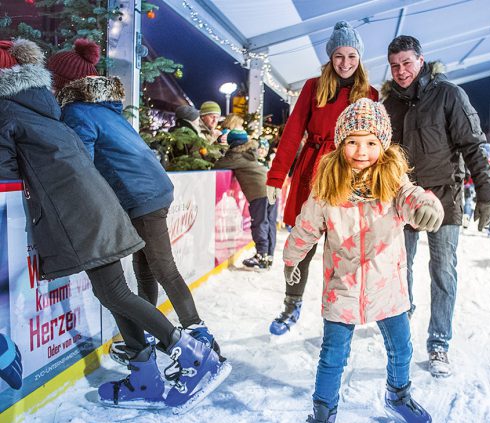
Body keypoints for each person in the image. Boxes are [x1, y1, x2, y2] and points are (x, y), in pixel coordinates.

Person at [0, 38, 229, 411]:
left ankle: (190, 352)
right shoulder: (48, 110)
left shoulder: (22, 113)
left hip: (86, 212)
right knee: (117, 290)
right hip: (105, 207)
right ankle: (145, 374)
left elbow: (6, 169)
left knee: (123, 289)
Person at [283, 99, 443, 423]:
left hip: (387, 285)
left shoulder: (394, 182)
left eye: (371, 142)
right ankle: (323, 416)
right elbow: (307, 226)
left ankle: (398, 395)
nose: (362, 151)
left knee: (401, 348)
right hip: (342, 285)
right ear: (341, 143)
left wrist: (429, 206)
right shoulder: (328, 185)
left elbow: (414, 198)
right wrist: (291, 257)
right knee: (332, 357)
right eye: (354, 141)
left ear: (383, 145)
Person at [47, 39, 223, 363]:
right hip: (150, 190)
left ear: (61, 82)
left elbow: (80, 164)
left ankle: (198, 336)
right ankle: (146, 337)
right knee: (146, 271)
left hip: (140, 195)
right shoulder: (103, 109)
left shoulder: (76, 112)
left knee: (162, 268)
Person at [382, 35, 490, 377]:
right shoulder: (388, 103)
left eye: (406, 63)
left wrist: (488, 195)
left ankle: (439, 344)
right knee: (398, 269)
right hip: (402, 198)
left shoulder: (448, 94)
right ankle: (403, 325)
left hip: (444, 198)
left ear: (421, 60)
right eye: (394, 66)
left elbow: (474, 145)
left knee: (443, 270)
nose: (401, 71)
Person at [265, 21, 378, 336]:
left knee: (344, 251)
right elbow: (292, 133)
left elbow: (375, 144)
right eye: (339, 56)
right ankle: (291, 303)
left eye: (351, 56)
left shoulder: (370, 94)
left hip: (348, 177)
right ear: (330, 57)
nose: (345, 63)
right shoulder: (313, 87)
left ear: (359, 58)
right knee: (300, 247)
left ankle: (341, 311)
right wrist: (276, 177)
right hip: (311, 173)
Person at [215, 114, 277, 269]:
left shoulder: (235, 156)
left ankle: (261, 256)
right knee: (269, 223)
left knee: (259, 223)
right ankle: (268, 256)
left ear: (232, 144)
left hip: (259, 193)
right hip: (271, 189)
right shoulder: (251, 153)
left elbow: (218, 164)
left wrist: (219, 147)